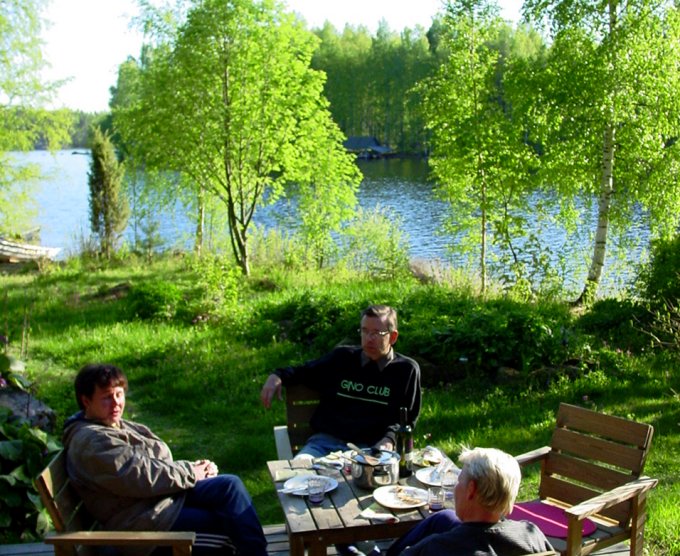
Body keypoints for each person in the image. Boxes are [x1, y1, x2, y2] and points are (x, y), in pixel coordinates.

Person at [63, 363, 268, 556]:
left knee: (229, 486)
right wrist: (189, 473)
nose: (116, 403)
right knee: (229, 526)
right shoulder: (91, 442)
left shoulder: (110, 425)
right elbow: (141, 476)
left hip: (159, 502)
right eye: (107, 397)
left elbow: (155, 459)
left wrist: (195, 470)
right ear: (86, 401)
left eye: (119, 394)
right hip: (144, 525)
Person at [260, 304, 421, 458]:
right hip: (324, 444)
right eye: (364, 331)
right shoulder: (342, 358)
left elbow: (405, 419)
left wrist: (389, 440)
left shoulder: (406, 370)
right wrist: (277, 375)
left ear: (393, 337)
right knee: (300, 475)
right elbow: (304, 371)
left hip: (370, 449)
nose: (368, 339)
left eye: (376, 333)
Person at [386, 447, 554, 556]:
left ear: (471, 490)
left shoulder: (437, 548)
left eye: (459, 481)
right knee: (444, 517)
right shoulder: (532, 535)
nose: (455, 488)